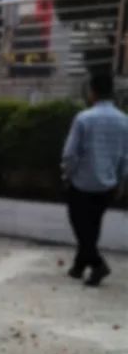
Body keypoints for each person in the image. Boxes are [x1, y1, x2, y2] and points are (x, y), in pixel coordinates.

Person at [61, 68, 128, 287]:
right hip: (108, 184)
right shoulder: (124, 121)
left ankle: (97, 264)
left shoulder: (84, 118)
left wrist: (68, 174)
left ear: (93, 92)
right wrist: (121, 181)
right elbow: (126, 156)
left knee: (80, 225)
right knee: (93, 225)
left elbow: (70, 154)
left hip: (82, 183)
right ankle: (79, 266)